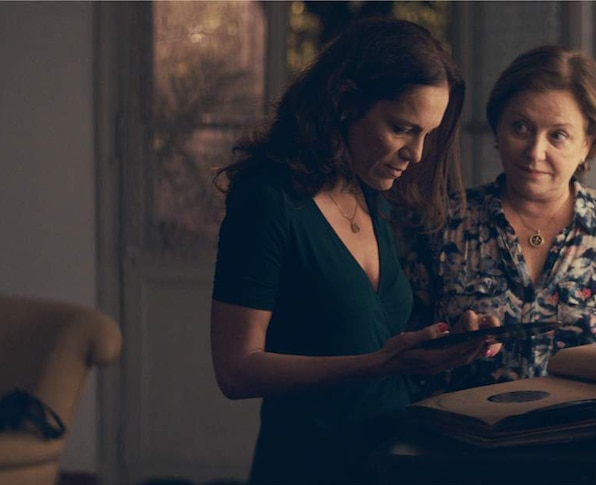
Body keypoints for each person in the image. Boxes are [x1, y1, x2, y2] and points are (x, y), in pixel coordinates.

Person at [209, 19, 499, 485]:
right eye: (402, 128)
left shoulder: (368, 192)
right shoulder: (267, 200)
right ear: (345, 101)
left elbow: (359, 331)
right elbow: (236, 371)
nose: (417, 154)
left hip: (391, 460)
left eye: (427, 133)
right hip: (309, 465)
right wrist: (383, 362)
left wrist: (444, 346)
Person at [405, 45, 596, 397]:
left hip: (584, 445)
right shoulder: (444, 223)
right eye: (520, 127)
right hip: (461, 442)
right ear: (497, 127)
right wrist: (449, 344)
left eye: (558, 135)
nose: (534, 151)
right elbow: (402, 355)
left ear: (587, 144)